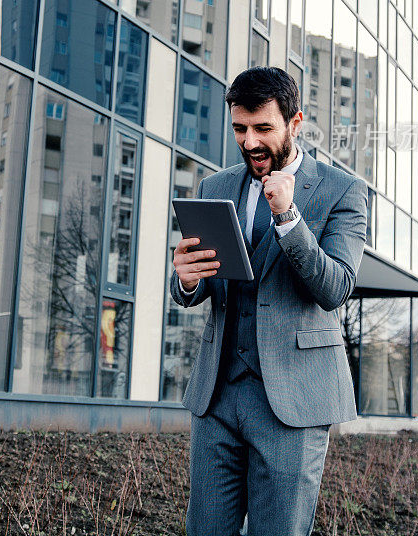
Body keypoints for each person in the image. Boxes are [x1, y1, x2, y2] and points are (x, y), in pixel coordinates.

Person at [170, 66, 368, 536]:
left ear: (295, 123)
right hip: (217, 398)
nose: (250, 141)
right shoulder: (215, 188)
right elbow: (202, 288)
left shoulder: (342, 192)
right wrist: (186, 280)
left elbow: (335, 288)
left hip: (292, 403)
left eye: (263, 128)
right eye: (240, 128)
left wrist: (289, 217)